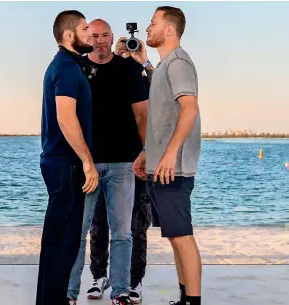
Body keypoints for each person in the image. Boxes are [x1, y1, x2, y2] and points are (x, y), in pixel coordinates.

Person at [118, 6, 202, 305]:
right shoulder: (166, 65)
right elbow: (162, 112)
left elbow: (189, 108)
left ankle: (193, 301)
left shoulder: (179, 62)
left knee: (182, 236)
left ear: (169, 29)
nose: (148, 28)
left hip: (173, 168)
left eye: (153, 23)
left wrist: (168, 156)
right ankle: (184, 298)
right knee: (174, 237)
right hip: (161, 165)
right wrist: (146, 153)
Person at [67, 19, 149, 305]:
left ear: (112, 37)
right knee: (78, 233)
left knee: (123, 233)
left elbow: (142, 115)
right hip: (86, 164)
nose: (100, 41)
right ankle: (69, 293)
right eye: (94, 36)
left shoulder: (128, 69)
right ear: (86, 37)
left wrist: (145, 151)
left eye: (105, 36)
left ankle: (121, 291)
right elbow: (68, 117)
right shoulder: (76, 67)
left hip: (123, 164)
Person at [36, 10, 99, 305]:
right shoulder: (65, 67)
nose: (91, 33)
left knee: (63, 241)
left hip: (62, 163)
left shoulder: (69, 65)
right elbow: (65, 117)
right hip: (65, 164)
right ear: (68, 34)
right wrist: (87, 161)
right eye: (85, 28)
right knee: (61, 242)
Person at [86, 62, 152, 304]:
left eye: (131, 52)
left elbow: (160, 98)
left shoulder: (142, 76)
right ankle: (99, 276)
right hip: (103, 161)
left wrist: (145, 63)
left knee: (135, 226)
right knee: (99, 223)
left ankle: (133, 281)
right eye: (122, 50)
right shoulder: (99, 74)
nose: (126, 56)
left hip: (135, 162)